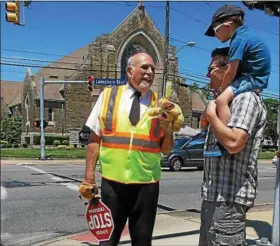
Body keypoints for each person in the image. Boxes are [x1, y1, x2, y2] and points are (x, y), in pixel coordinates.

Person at [79, 52, 184, 246]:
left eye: (153, 69)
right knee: (107, 241)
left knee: (142, 242)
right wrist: (89, 177)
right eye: (144, 67)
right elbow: (94, 139)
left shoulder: (161, 106)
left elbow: (166, 150)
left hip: (146, 185)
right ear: (129, 71)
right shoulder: (108, 96)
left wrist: (168, 129)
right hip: (113, 183)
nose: (150, 72)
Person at [198, 47, 267, 246]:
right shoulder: (224, 102)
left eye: (210, 69)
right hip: (212, 197)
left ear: (227, 69)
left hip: (229, 201)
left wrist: (212, 115)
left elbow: (234, 143)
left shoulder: (245, 99)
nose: (207, 74)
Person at [203, 4, 271, 156]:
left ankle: (224, 139)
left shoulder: (238, 39)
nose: (215, 36)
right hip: (254, 76)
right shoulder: (245, 36)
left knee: (221, 101)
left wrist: (222, 93)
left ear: (227, 25)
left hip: (252, 78)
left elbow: (230, 70)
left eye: (215, 30)